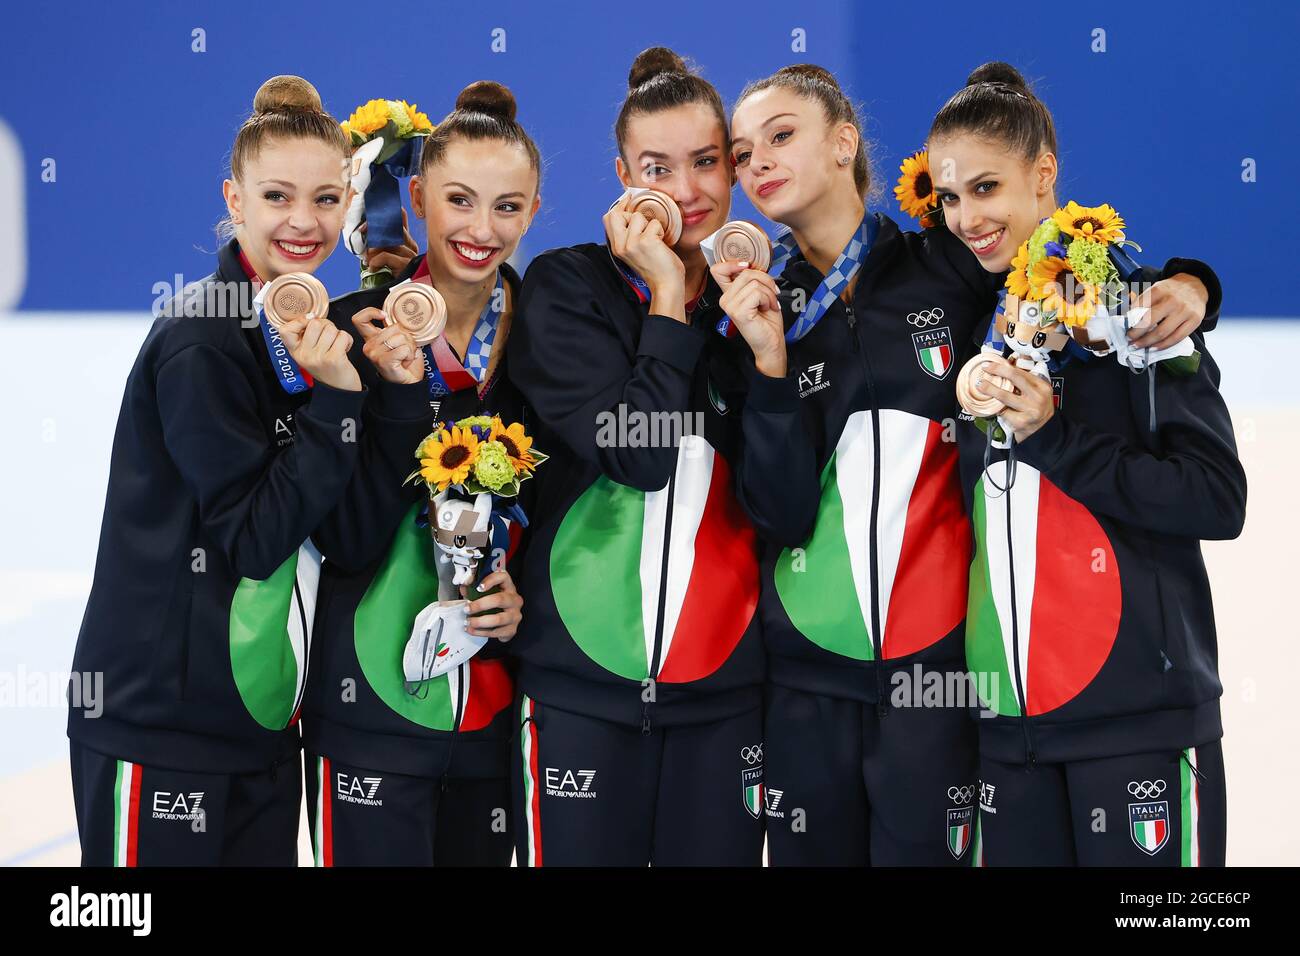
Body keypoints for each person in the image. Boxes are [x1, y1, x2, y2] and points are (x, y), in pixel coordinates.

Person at [713, 63, 1218, 865]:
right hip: (812, 679)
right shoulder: (755, 303)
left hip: (946, 683)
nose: (760, 162)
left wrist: (1189, 286)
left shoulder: (946, 266)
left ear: (846, 142)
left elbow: (1063, 268)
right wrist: (770, 370)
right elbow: (775, 513)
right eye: (742, 152)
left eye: (782, 136)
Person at [66, 75, 400, 866]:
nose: (303, 221)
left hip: (260, 726)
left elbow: (349, 542)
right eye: (277, 196)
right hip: (158, 724)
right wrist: (337, 403)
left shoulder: (317, 332)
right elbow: (254, 540)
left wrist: (376, 396)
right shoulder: (201, 340)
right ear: (235, 197)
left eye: (326, 199)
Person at [927, 62, 1245, 865]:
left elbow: (1216, 500)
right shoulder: (981, 323)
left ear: (1043, 177)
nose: (967, 217)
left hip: (1136, 722)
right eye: (950, 197)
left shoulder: (1143, 314)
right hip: (1010, 728)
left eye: (987, 188)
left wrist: (1057, 439)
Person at [505, 47, 803, 866]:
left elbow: (786, 512)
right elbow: (637, 456)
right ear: (621, 174)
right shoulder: (567, 289)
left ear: (735, 171)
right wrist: (669, 298)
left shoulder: (756, 306)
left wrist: (768, 365)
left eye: (707, 162)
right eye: (656, 166)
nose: (684, 191)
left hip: (725, 695)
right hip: (582, 692)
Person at [301, 81, 538, 866]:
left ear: (534, 210)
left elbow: (572, 507)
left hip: (492, 719)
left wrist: (520, 590)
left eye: (507, 207)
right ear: (417, 197)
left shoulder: (553, 334)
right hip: (367, 711)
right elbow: (340, 536)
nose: (481, 229)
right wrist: (398, 397)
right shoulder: (349, 331)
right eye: (459, 201)